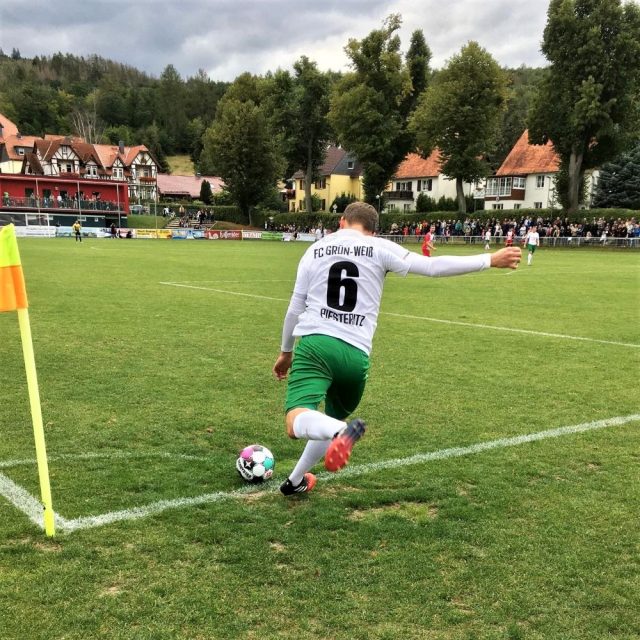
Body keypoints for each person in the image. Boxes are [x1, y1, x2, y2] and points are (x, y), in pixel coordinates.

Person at [272, 202, 521, 496]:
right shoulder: (379, 247)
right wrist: (489, 259)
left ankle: (340, 431)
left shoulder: (315, 249)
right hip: (356, 356)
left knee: (297, 420)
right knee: (328, 420)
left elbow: (295, 308)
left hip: (316, 345)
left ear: (341, 222)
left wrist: (286, 352)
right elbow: (432, 267)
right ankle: (296, 481)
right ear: (373, 230)